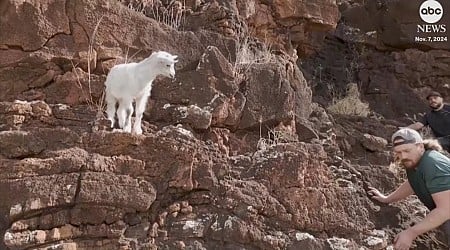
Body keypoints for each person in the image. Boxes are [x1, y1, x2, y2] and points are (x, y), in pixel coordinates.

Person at [368, 128, 450, 250]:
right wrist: (387, 199)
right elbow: (414, 182)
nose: (403, 156)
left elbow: (445, 210)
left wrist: (411, 233)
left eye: (407, 150)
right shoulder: (416, 161)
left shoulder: (433, 165)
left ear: (420, 147)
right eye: (399, 152)